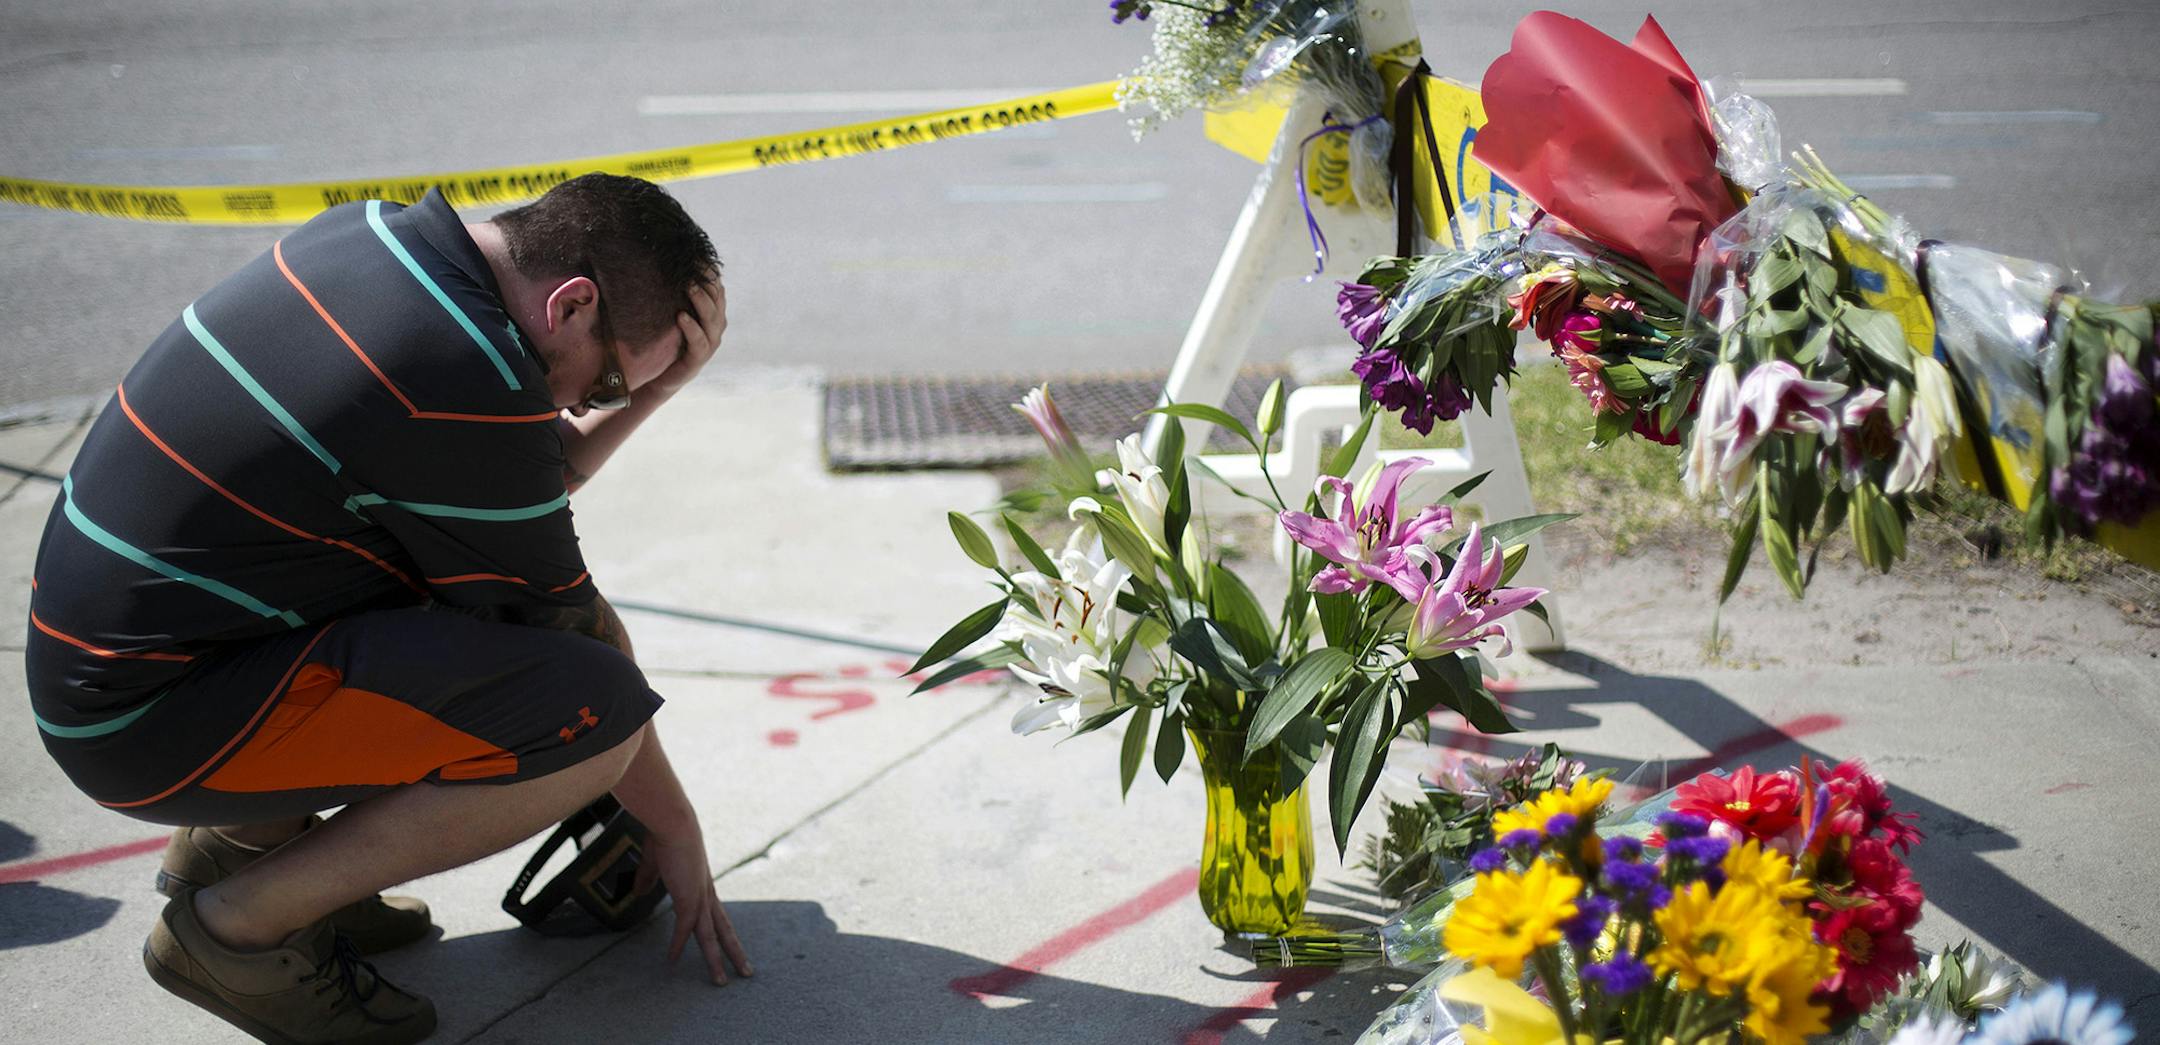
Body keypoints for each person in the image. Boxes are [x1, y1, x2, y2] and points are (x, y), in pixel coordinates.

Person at [24, 173, 749, 1044]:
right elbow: (574, 633)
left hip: (126, 670)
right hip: (143, 725)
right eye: (603, 387)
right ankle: (238, 928)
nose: (579, 407)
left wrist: (652, 386)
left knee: (461, 595)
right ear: (571, 304)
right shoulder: (459, 375)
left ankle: (244, 843)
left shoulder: (371, 239)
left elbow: (508, 476)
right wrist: (675, 826)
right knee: (592, 718)